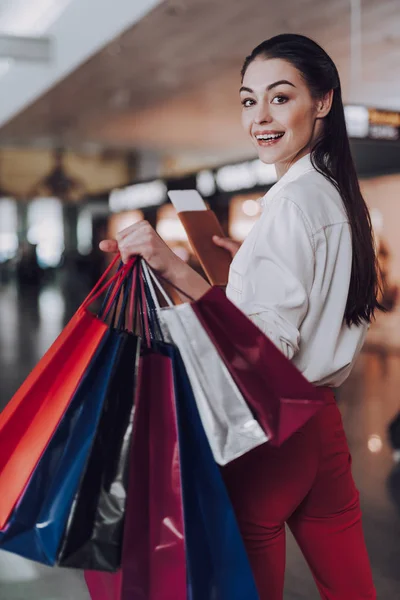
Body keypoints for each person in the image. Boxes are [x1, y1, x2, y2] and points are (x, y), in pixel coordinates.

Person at [100, 34, 380, 600]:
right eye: (249, 101)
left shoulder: (290, 204)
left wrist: (172, 268)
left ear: (322, 101)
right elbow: (313, 302)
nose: (261, 117)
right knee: (352, 587)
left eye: (280, 97)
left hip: (270, 430)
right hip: (322, 426)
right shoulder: (338, 196)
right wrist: (245, 268)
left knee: (246, 589)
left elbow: (263, 348)